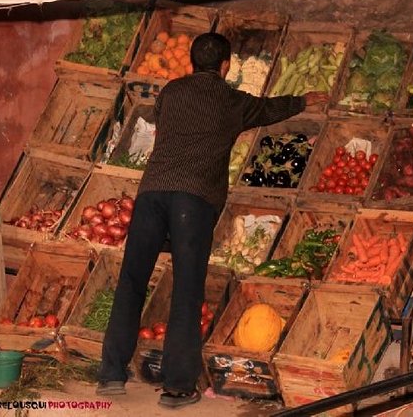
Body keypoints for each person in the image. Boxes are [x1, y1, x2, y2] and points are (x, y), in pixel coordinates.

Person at [96, 32, 328, 408]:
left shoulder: (171, 92)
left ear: (191, 63)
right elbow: (268, 109)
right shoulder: (230, 100)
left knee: (132, 281)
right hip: (194, 201)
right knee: (187, 291)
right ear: (226, 66)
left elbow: (166, 121)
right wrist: (303, 100)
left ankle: (110, 374)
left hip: (151, 194)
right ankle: (177, 387)